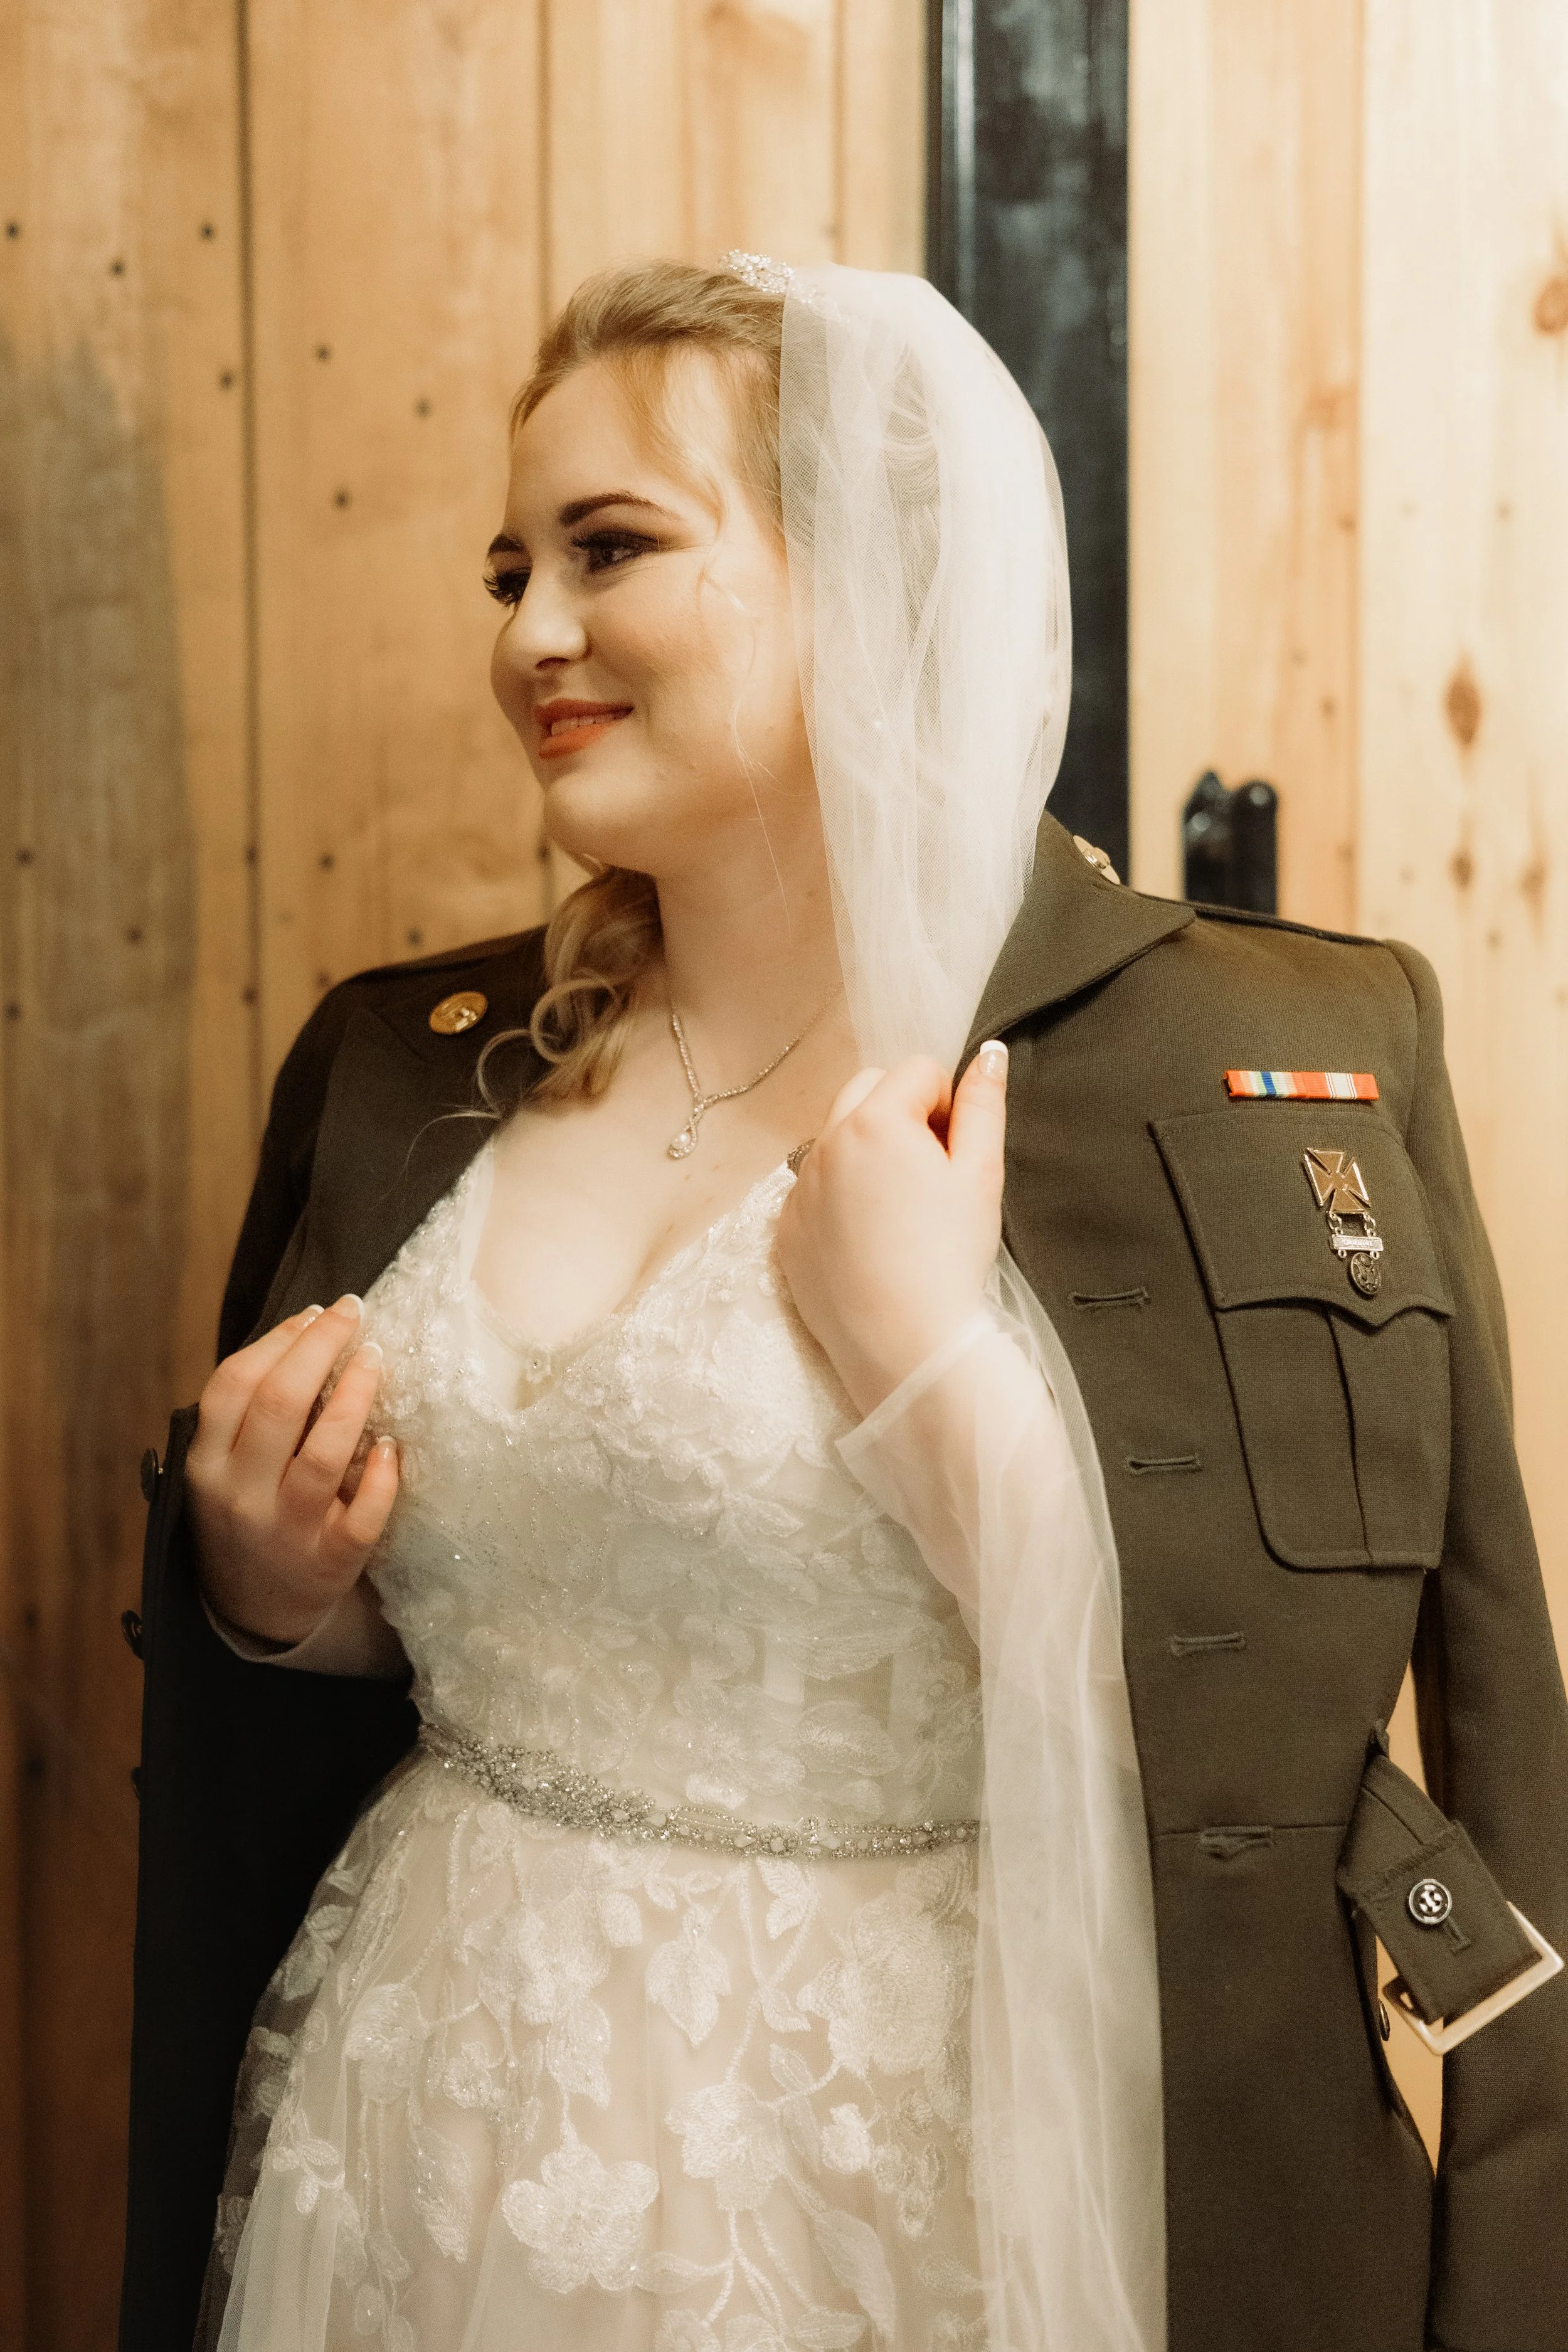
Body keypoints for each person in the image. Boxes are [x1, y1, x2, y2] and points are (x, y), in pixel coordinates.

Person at [121, 259, 1568, 2352]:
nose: (530, 630)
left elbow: (1261, 1732)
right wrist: (271, 1586)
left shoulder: (1252, 1053)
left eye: (613, 549)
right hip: (443, 2116)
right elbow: (473, 1613)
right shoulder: (399, 1063)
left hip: (913, 2170)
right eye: (509, 564)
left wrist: (927, 1375)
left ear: (873, 577)